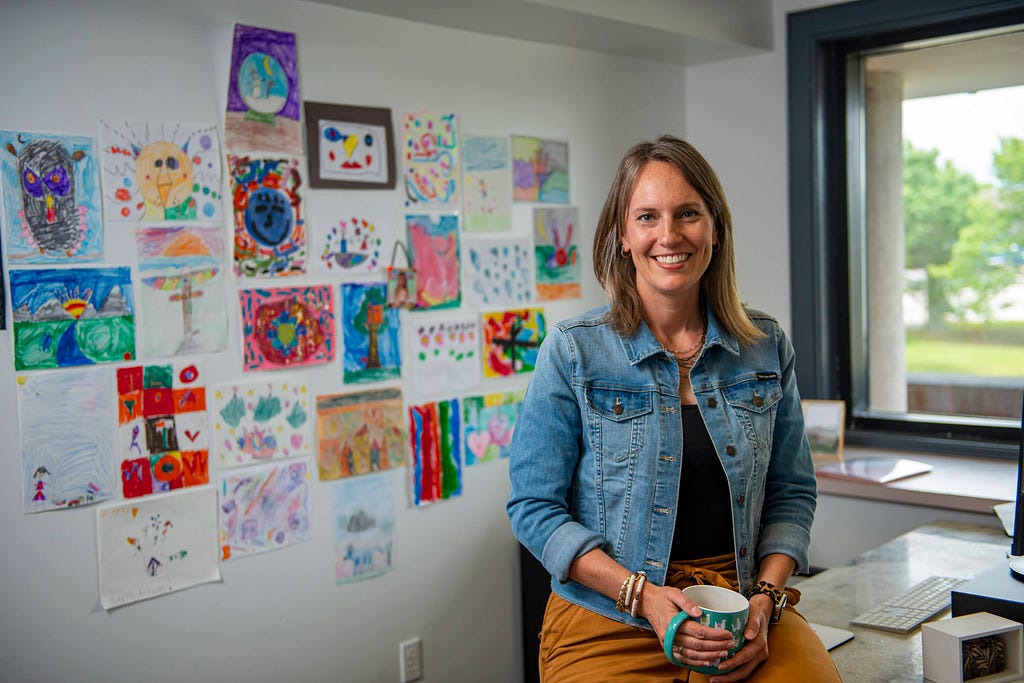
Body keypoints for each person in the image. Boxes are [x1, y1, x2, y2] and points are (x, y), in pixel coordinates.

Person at [507, 135, 841, 682]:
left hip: (738, 602)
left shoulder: (765, 344)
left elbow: (793, 490)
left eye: (688, 213)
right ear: (622, 235)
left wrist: (764, 601)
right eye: (647, 217)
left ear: (715, 228)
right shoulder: (573, 350)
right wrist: (643, 598)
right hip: (609, 611)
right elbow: (533, 507)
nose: (669, 235)